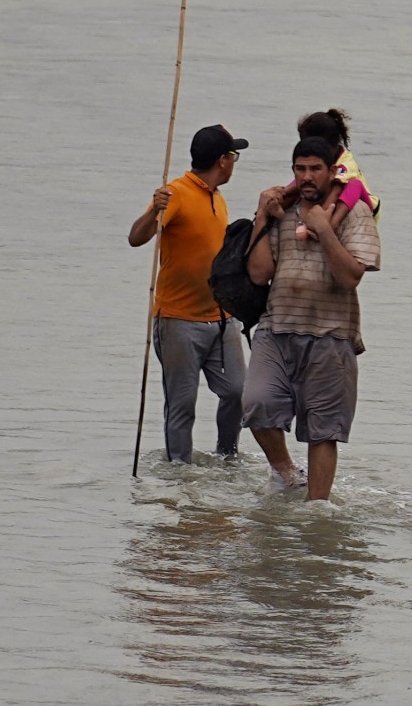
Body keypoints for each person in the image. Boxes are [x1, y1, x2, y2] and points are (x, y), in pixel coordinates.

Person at [242, 136, 383, 501]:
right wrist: (261, 216)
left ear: (331, 171)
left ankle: (316, 508)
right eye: (299, 169)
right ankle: (288, 473)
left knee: (323, 431)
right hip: (276, 328)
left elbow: (351, 276)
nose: (306, 177)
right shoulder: (283, 211)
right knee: (256, 404)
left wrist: (322, 228)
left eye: (314, 169)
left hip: (331, 334)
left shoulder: (355, 213)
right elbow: (259, 275)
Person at [126, 123, 248, 464]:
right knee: (182, 404)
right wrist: (154, 209)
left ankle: (228, 459)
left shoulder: (217, 197)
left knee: (238, 392)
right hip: (178, 320)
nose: (235, 163)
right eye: (234, 156)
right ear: (223, 160)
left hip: (222, 319)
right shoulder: (176, 193)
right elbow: (136, 237)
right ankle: (179, 471)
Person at [293, 108, 376, 237]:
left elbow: (337, 190)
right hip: (333, 193)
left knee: (352, 184)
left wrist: (320, 216)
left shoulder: (346, 163)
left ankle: (331, 224)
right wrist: (283, 193)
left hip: (367, 203)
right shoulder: (320, 163)